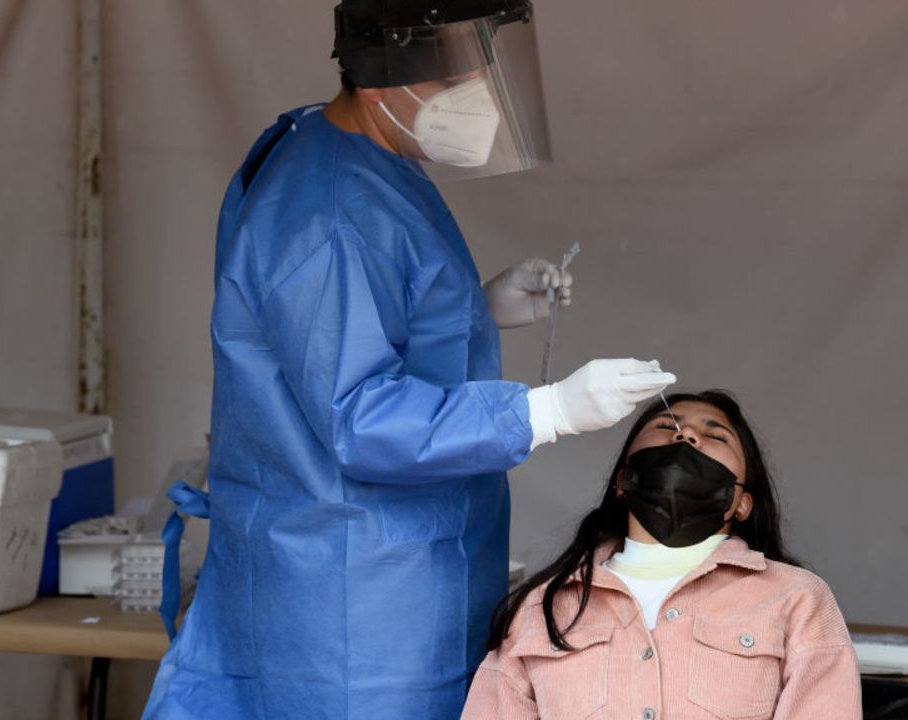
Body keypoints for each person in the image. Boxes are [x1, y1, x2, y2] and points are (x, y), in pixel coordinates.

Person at [141, 2, 675, 719]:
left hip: (389, 573)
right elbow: (359, 414)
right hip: (349, 603)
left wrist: (479, 309)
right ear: (383, 80)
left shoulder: (358, 156)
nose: (483, 100)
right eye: (463, 84)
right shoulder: (326, 211)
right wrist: (545, 410)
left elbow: (331, 335)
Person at [462, 391, 862, 719]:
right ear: (623, 479)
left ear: (742, 503)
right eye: (666, 427)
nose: (686, 437)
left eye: (716, 436)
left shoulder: (797, 598)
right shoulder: (544, 606)